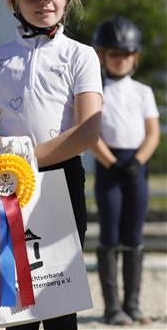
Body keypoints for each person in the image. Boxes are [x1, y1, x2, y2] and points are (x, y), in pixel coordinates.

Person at [0, 0, 103, 330]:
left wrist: (29, 157)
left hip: (62, 180)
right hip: (8, 184)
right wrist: (0, 150)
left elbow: (88, 132)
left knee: (59, 301)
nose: (45, 1)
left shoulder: (81, 56)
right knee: (18, 304)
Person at [91, 17, 160, 326]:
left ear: (136, 57)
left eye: (126, 53)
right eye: (114, 53)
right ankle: (112, 307)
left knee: (134, 232)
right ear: (102, 55)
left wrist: (137, 161)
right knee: (110, 232)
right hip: (109, 166)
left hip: (136, 167)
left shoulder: (143, 92)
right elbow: (91, 133)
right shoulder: (95, 92)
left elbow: (152, 133)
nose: (121, 59)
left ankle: (132, 304)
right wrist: (111, 162)